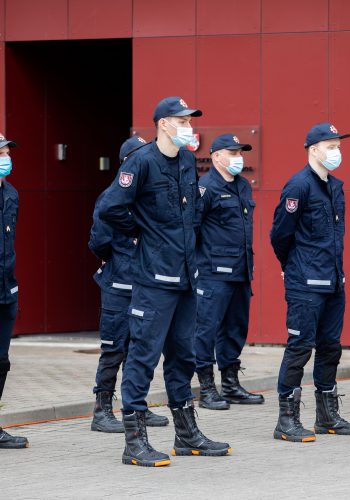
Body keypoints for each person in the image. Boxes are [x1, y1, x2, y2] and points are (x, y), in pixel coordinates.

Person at [99, 96, 231, 467]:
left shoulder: (188, 160)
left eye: (190, 120)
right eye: (182, 120)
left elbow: (189, 215)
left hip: (186, 277)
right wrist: (142, 234)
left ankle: (187, 434)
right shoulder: (140, 162)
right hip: (154, 279)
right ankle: (135, 442)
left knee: (182, 357)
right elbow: (111, 207)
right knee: (142, 356)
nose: (189, 126)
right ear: (162, 124)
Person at [270, 123, 350, 442]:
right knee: (299, 348)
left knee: (330, 348)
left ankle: (327, 415)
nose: (337, 152)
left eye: (339, 146)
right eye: (331, 146)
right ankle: (287, 419)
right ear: (313, 150)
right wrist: (292, 266)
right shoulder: (298, 186)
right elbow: (280, 234)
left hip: (334, 281)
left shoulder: (335, 186)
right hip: (305, 282)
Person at [88, 136, 168, 433]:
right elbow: (99, 241)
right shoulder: (112, 196)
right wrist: (122, 261)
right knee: (114, 347)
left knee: (142, 348)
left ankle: (136, 407)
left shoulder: (149, 198)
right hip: (119, 284)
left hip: (145, 284)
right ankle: (102, 409)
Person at [194, 134, 264, 410]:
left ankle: (231, 383)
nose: (238, 157)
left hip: (241, 270)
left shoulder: (243, 186)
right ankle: (207, 388)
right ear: (216, 157)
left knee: (235, 328)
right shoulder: (206, 187)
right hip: (213, 272)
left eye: (240, 152)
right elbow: (194, 230)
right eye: (232, 153)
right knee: (206, 330)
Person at [0, 133, 28, 449]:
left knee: (1, 362)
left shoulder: (11, 194)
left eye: (7, 151)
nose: (6, 157)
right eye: (1, 153)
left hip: (7, 290)